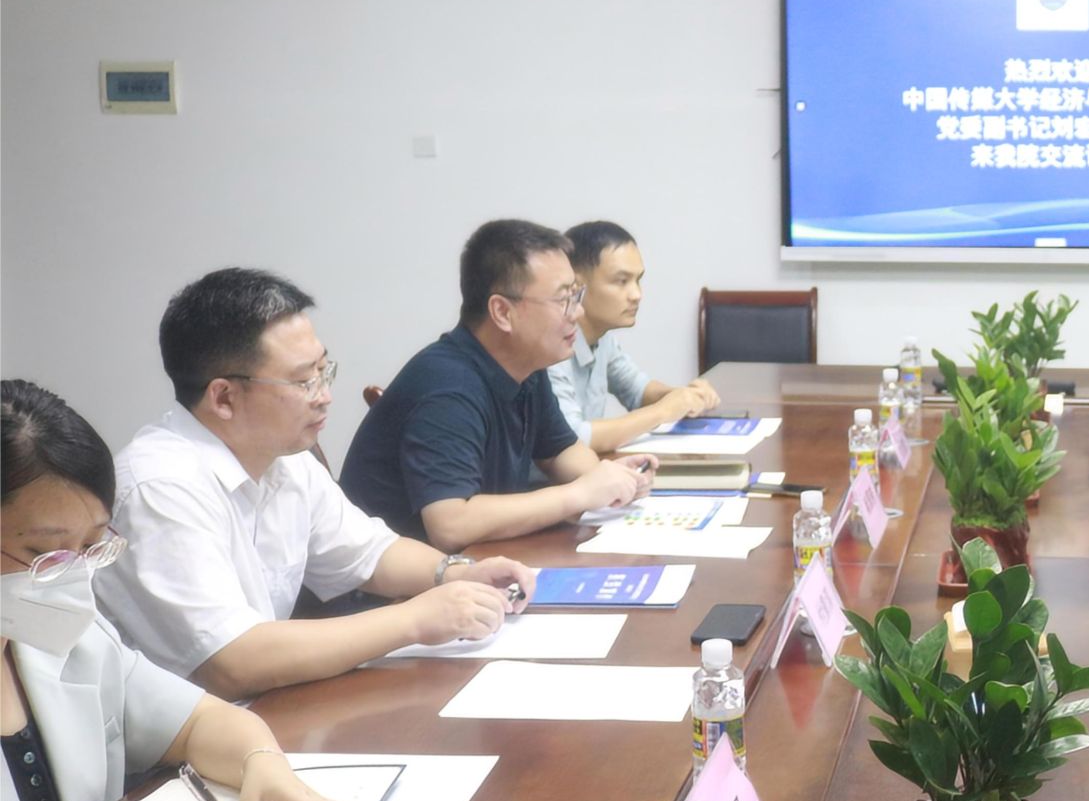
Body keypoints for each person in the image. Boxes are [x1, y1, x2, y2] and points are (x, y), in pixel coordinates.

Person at [0, 380, 352, 801]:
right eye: (45, 554)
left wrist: (263, 764)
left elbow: (200, 721)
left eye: (92, 547)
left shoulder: (63, 638)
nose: (75, 576)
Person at [95, 269, 539, 701]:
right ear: (224, 398)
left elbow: (369, 554)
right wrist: (415, 620)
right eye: (303, 381)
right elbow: (232, 663)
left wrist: (457, 572)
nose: (324, 395)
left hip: (259, 712)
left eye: (324, 371)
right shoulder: (159, 489)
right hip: (175, 741)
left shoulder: (286, 459)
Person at [340, 219, 653, 550]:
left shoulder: (526, 367)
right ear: (502, 312)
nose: (576, 313)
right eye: (564, 299)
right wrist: (579, 494)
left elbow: (561, 451)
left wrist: (611, 479)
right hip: (393, 578)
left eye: (576, 295)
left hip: (473, 563)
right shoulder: (447, 386)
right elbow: (451, 524)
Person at [550, 220, 720, 455]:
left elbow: (638, 391)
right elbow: (573, 437)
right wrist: (663, 411)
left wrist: (684, 397)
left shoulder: (602, 338)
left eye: (638, 280)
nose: (636, 295)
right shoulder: (549, 347)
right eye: (622, 281)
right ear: (577, 286)